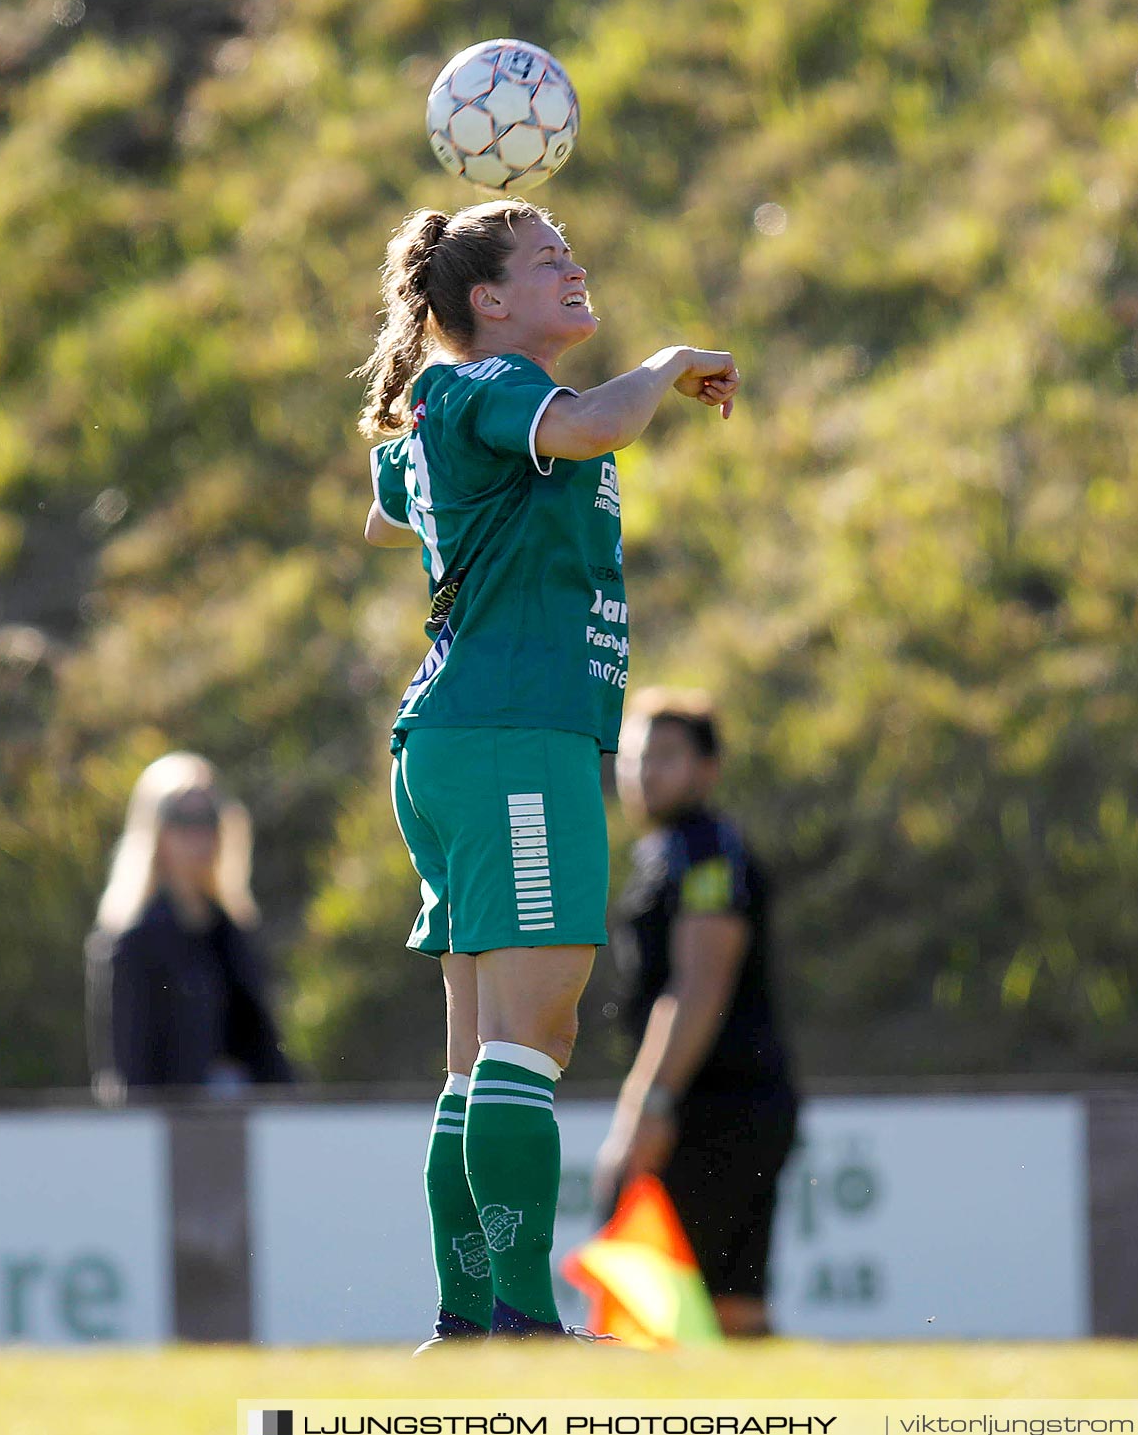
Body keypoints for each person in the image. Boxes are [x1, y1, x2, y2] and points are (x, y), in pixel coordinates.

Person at [355, 199, 739, 1348]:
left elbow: (388, 512)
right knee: (534, 1032)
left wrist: (457, 508)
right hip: (515, 732)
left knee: (480, 1050)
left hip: (461, 738)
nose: (575, 268)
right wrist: (666, 366)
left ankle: (470, 1320)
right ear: (487, 302)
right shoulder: (493, 387)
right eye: (546, 259)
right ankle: (522, 1315)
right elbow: (589, 429)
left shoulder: (455, 400)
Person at [596, 689, 799, 1338]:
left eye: (665, 756)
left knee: (651, 1307)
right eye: (633, 758)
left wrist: (648, 1107)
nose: (644, 772)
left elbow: (699, 986)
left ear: (708, 769)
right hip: (731, 1103)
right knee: (733, 1314)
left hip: (715, 1108)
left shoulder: (705, 852)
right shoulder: (670, 851)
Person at [86, 752, 294, 1099]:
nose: (199, 834)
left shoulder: (231, 932)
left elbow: (265, 1052)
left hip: (241, 1131)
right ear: (154, 830)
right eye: (182, 819)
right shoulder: (134, 940)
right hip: (173, 1137)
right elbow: (131, 1072)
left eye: (209, 819)